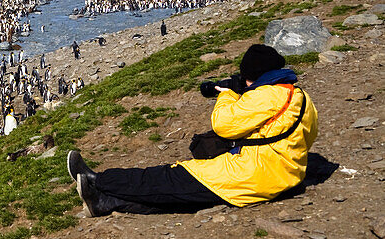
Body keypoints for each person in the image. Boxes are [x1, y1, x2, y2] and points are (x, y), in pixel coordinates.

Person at [67, 44, 318, 216]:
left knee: (166, 177)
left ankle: (97, 180)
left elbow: (223, 125)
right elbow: (308, 136)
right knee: (178, 197)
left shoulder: (267, 95)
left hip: (250, 176)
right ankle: (103, 203)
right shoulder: (300, 96)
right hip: (287, 176)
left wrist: (228, 94)